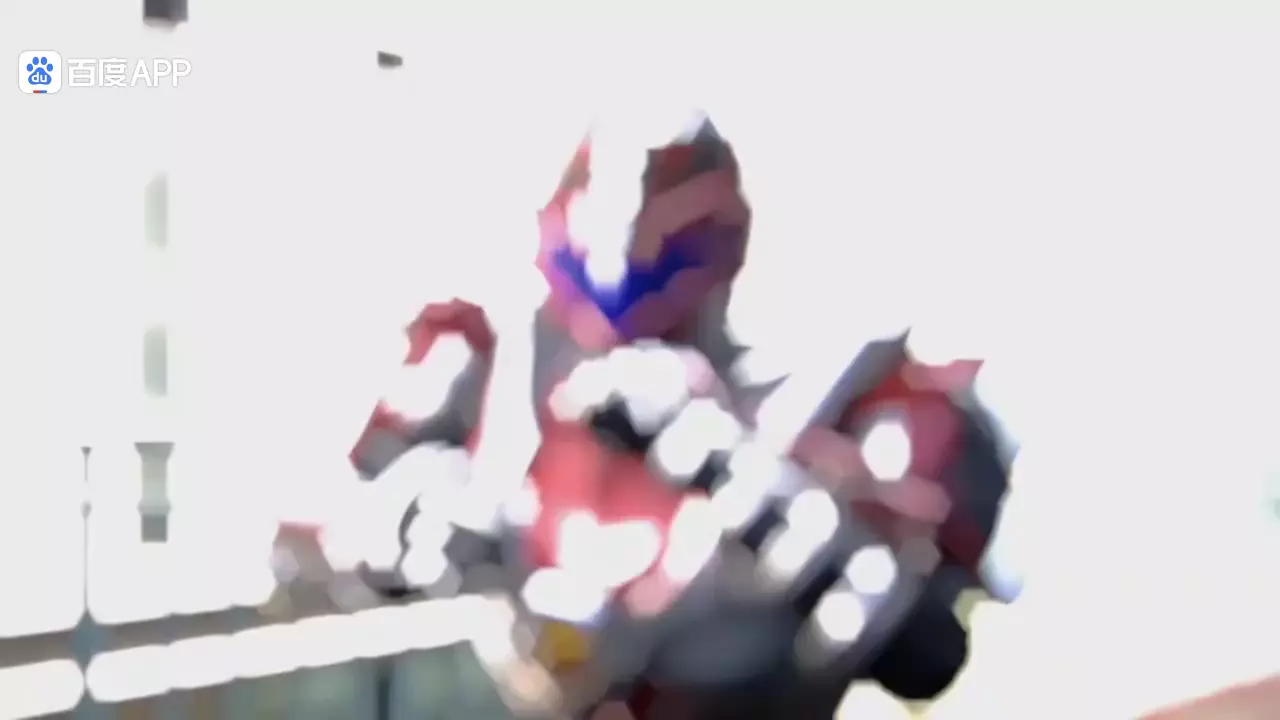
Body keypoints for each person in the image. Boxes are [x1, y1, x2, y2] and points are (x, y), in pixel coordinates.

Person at [343, 99, 1025, 718]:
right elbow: (343, 535)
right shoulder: (486, 368)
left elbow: (929, 652)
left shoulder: (835, 414)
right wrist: (422, 516)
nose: (627, 233)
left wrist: (757, 495)